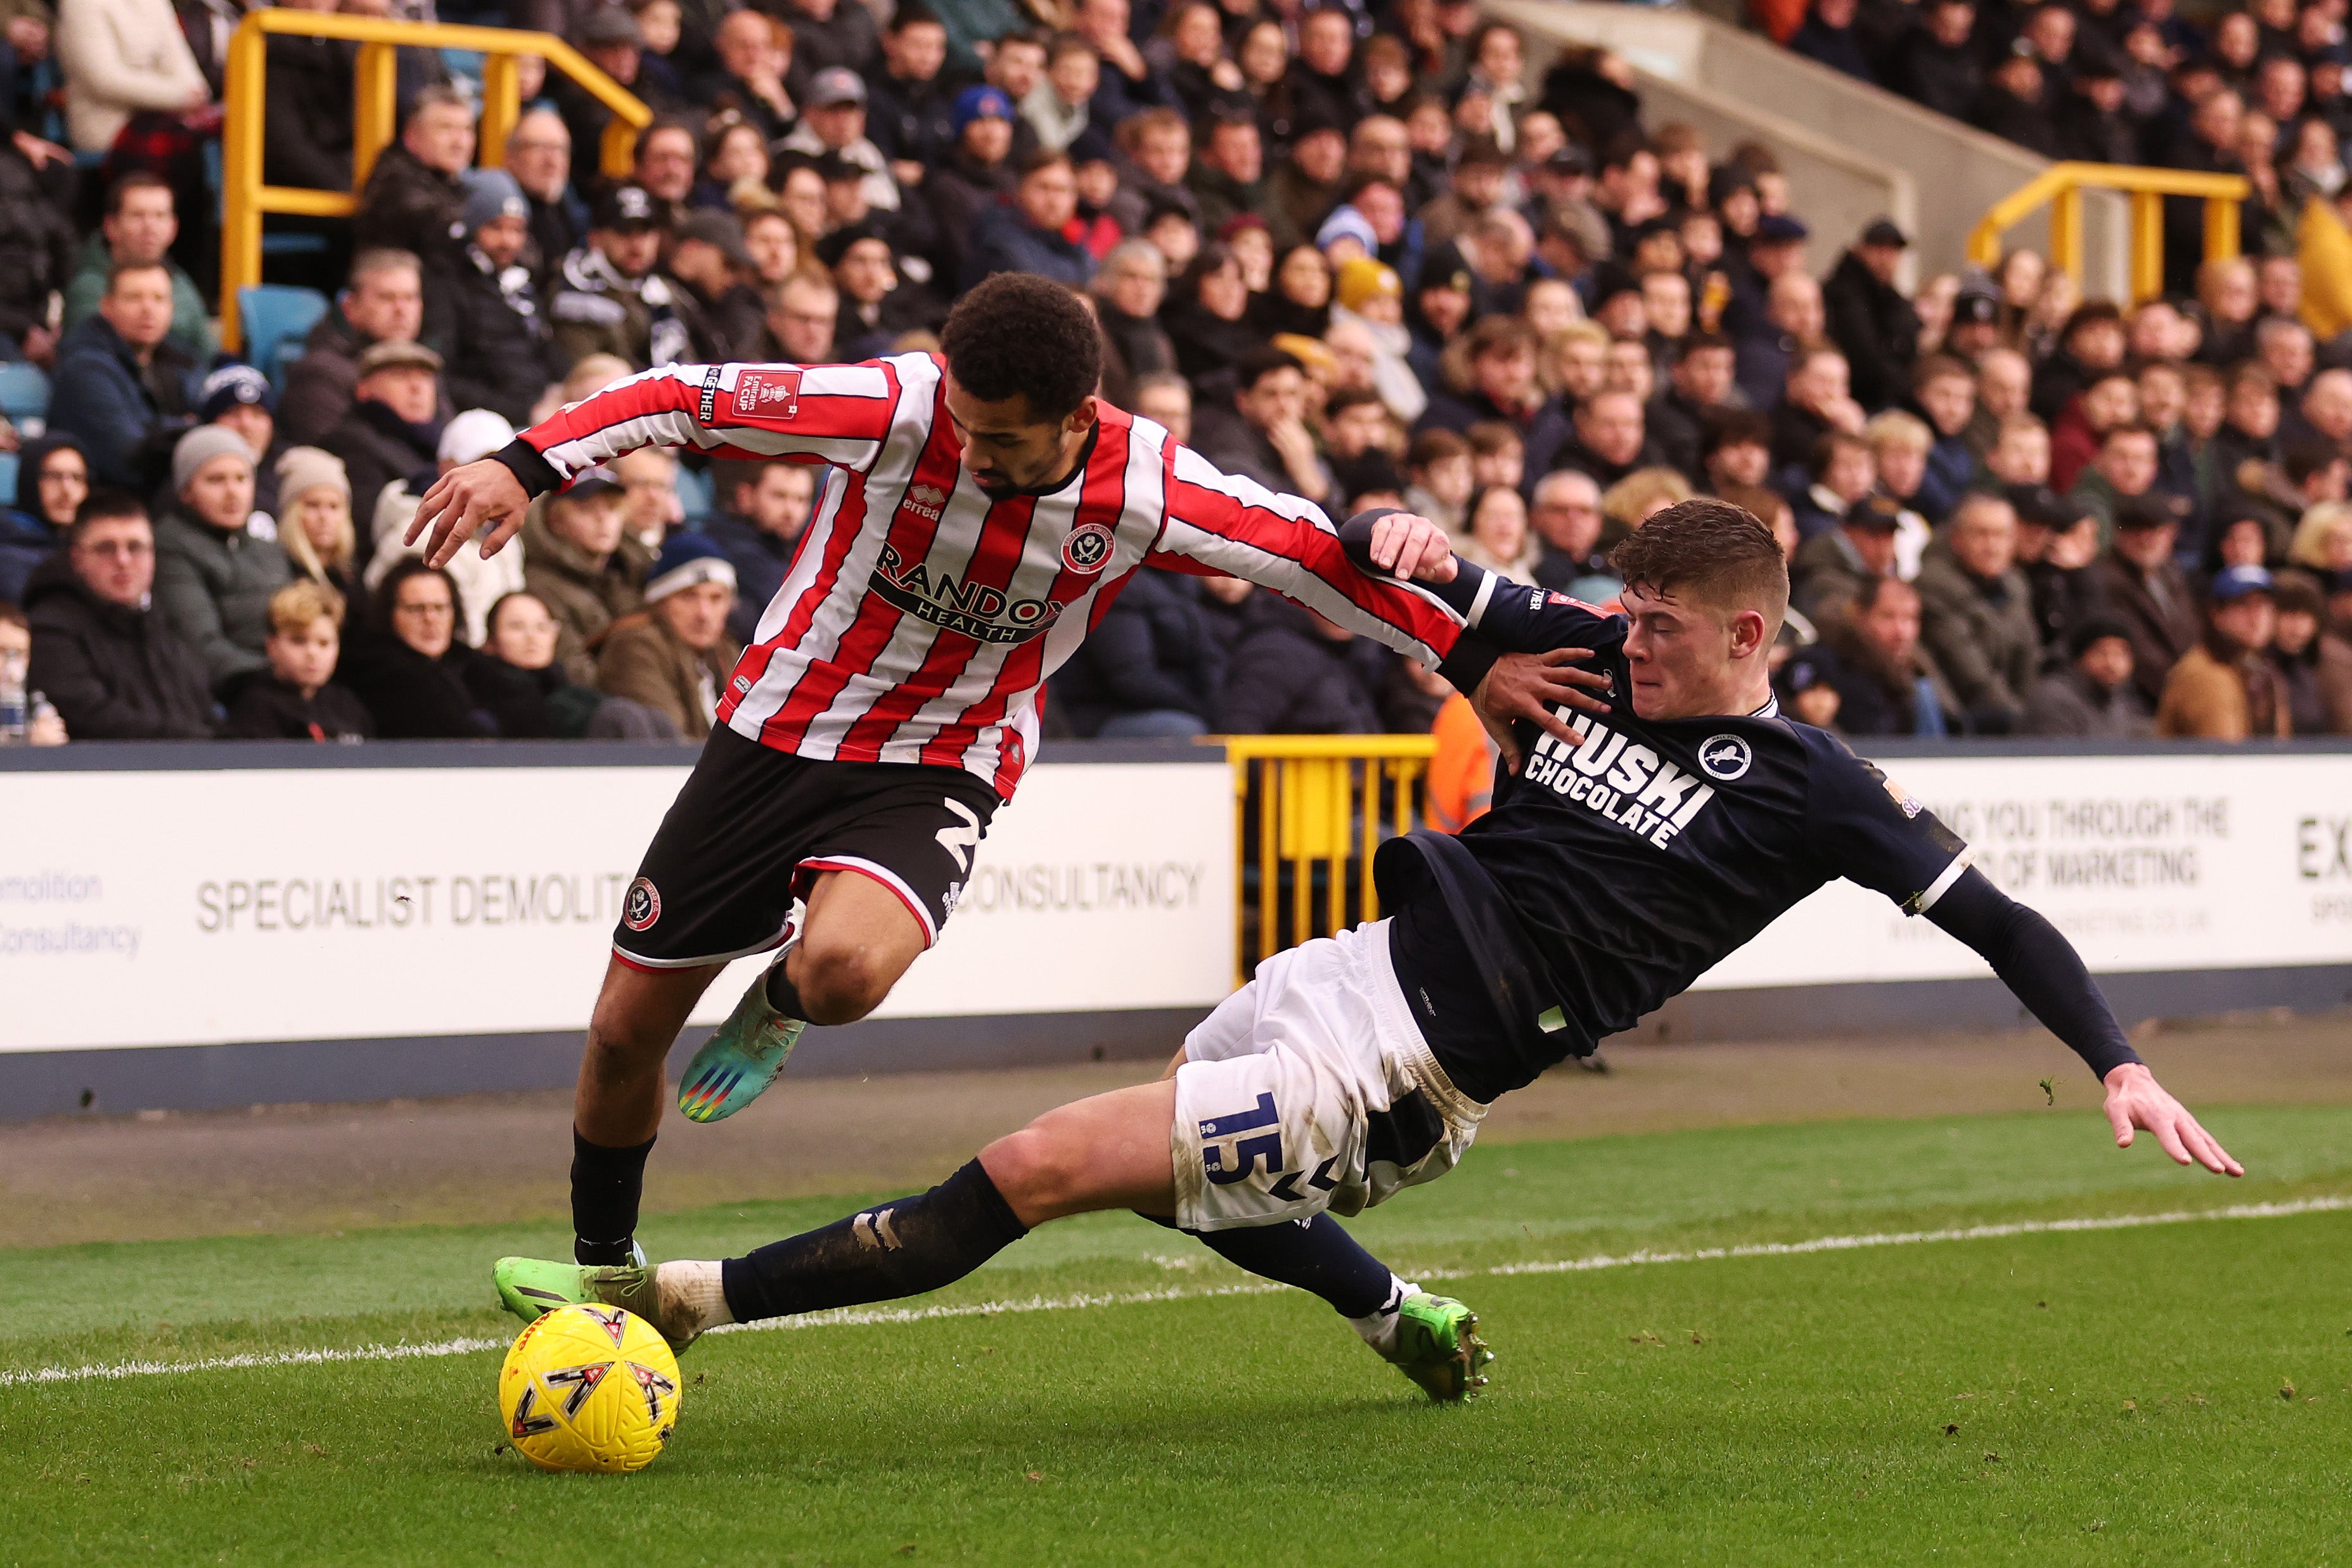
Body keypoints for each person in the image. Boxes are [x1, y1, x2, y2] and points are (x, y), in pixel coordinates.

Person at [491, 499, 2239, 1395]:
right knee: (1179, 1182)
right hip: (1345, 968)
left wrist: (2114, 1058)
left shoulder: (1814, 791)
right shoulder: (1573, 653)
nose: (1626, 647)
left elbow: (1997, 916)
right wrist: (1396, 528)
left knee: (1038, 1165)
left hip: (1405, 1068)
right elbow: (1380, 563)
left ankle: (681, 1302)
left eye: (1659, 629)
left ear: (1746, 633)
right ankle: (1392, 1309)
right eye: (1621, 615)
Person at [409, 272, 1584, 1275]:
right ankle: (604, 1267)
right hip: (776, 731)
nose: (968, 453)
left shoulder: (1145, 485)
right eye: (962, 428)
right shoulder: (894, 406)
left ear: (1077, 418)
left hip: (943, 757)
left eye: (1001, 441)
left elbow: (1310, 557)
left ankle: (785, 1000)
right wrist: (528, 462)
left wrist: (1470, 663)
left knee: (842, 972)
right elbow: (680, 394)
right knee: (624, 1033)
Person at [23, 489, 214, 738]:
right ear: (77, 559)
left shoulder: (168, 623)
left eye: (135, 547)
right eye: (106, 548)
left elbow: (203, 711)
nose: (123, 560)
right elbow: (90, 716)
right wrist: (196, 741)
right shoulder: (51, 627)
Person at [423, 170, 569, 428]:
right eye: (495, 227)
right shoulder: (446, 283)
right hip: (490, 425)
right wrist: (525, 412)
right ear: (472, 226)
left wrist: (565, 387)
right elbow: (444, 377)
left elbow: (544, 347)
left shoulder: (520, 280)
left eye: (517, 229)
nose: (508, 241)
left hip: (543, 410)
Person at [151, 425, 290, 694]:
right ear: (186, 491)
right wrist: (279, 678)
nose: (233, 492)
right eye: (216, 480)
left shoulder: (267, 548)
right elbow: (201, 645)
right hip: (239, 691)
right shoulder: (171, 546)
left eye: (242, 478)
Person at [48, 262, 196, 491]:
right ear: (106, 306)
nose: (148, 309)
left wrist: (166, 432)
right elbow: (128, 461)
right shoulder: (84, 369)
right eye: (134, 298)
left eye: (159, 299)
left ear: (172, 308)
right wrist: (187, 428)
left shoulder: (182, 362)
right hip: (108, 500)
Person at [1912, 492, 2038, 733]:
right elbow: (1972, 676)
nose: (1992, 546)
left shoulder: (2016, 586)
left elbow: (2028, 661)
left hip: (2010, 717)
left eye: (2001, 535)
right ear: (1957, 539)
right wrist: (2023, 725)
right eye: (1981, 534)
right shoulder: (1933, 586)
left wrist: (2033, 715)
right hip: (1962, 722)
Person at [595, 533, 742, 739]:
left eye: (716, 599)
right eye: (688, 597)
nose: (704, 614)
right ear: (660, 603)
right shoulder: (636, 647)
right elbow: (670, 743)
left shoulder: (726, 650)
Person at [60, 173, 216, 365]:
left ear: (173, 228)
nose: (150, 227)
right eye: (137, 216)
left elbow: (209, 352)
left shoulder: (181, 281)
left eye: (160, 216)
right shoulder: (87, 287)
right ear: (111, 226)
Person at [335, 560, 496, 739]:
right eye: (416, 609)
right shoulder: (374, 674)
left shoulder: (478, 670)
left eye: (440, 608)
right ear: (390, 614)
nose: (430, 619)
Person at [283, 251, 427, 447]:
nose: (401, 310)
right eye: (387, 298)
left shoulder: (424, 366)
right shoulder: (320, 372)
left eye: (410, 298)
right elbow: (334, 452)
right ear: (350, 307)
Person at [552, 183, 695, 372]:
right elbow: (589, 379)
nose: (637, 245)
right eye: (624, 232)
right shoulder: (574, 295)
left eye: (645, 233)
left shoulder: (664, 294)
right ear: (595, 239)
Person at [218, 580, 374, 740]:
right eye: (299, 641)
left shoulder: (347, 705)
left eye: (324, 643)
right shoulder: (254, 708)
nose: (312, 653)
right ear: (272, 646)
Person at [323, 340, 447, 530]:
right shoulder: (351, 444)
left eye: (425, 376)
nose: (417, 387)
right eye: (400, 376)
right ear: (364, 389)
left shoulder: (442, 444)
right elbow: (372, 528)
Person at [2156, 563, 2290, 738]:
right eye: (2243, 605)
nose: (2257, 617)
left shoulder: (2262, 669)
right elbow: (2224, 752)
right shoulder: (2206, 675)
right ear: (2217, 614)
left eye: (2264, 605)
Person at [351, 84, 475, 262]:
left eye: (467, 130)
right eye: (446, 128)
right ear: (412, 134)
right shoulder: (394, 185)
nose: (460, 142)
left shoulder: (448, 181)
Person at [700, 458, 814, 646]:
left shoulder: (796, 547)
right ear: (745, 496)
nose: (791, 511)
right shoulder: (726, 544)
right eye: (779, 496)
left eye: (801, 499)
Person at [2023, 616, 2153, 737]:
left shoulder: (2119, 702)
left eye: (2120, 654)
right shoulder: (2055, 698)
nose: (2111, 663)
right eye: (2101, 653)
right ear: (2080, 658)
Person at [0, 437, 88, 607]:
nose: (67, 490)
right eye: (53, 477)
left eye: (77, 478)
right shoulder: (9, 558)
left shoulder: (85, 548)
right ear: (29, 480)